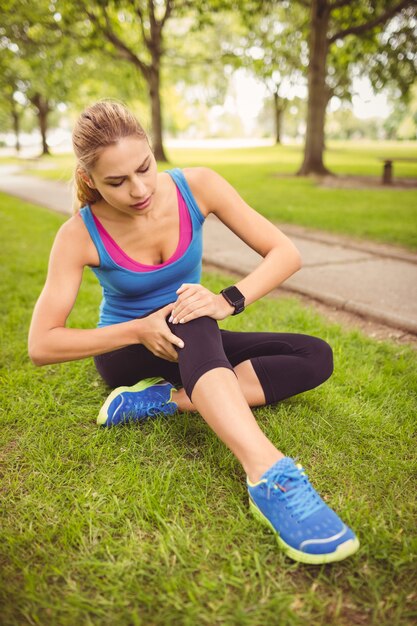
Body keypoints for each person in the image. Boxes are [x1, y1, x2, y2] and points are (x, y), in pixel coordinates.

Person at [28, 100, 359, 565]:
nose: (139, 189)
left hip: (192, 337)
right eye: (116, 182)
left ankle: (165, 400)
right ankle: (267, 473)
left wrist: (228, 300)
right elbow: (42, 343)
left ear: (152, 151)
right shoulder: (78, 234)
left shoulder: (196, 186)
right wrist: (139, 329)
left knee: (313, 355)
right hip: (130, 351)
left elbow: (284, 253)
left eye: (144, 168)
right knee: (191, 310)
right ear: (89, 180)